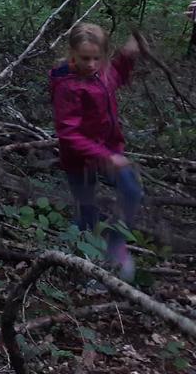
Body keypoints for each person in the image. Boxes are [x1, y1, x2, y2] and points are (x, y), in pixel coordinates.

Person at [50, 22, 144, 281]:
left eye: (96, 58)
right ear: (72, 53)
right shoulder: (67, 85)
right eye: (85, 58)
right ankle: (79, 265)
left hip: (109, 151)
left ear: (104, 55)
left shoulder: (102, 71)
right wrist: (106, 156)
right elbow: (68, 133)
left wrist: (127, 55)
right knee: (87, 211)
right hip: (79, 159)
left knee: (132, 191)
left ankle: (116, 245)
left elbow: (115, 76)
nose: (91, 64)